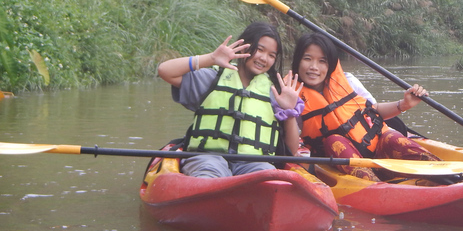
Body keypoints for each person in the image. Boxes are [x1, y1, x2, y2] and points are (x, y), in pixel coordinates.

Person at [157, 21, 304, 178]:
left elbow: (292, 150)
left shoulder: (275, 92)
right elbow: (165, 71)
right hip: (208, 158)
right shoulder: (213, 78)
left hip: (254, 163)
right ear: (245, 46)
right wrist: (211, 58)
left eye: (271, 55)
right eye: (259, 49)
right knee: (209, 173)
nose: (264, 58)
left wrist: (289, 112)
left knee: (267, 177)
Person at [291, 32, 441, 181]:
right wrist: (288, 109)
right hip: (339, 161)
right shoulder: (290, 94)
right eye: (307, 59)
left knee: (392, 137)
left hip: (376, 149)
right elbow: (290, 146)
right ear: (298, 61)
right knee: (334, 140)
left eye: (322, 61)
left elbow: (374, 110)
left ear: (330, 64)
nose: (314, 67)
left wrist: (404, 104)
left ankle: (443, 174)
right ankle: (378, 188)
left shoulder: (348, 81)